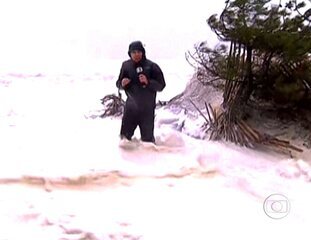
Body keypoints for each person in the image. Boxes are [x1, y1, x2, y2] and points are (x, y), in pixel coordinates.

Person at [116, 40, 166, 143]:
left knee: (148, 142)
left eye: (139, 52)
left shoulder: (152, 66)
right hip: (130, 108)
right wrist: (122, 83)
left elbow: (161, 85)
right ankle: (125, 158)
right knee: (124, 140)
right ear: (130, 53)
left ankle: (152, 158)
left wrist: (148, 82)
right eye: (133, 52)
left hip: (147, 110)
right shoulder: (126, 66)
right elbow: (118, 83)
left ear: (143, 52)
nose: (136, 54)